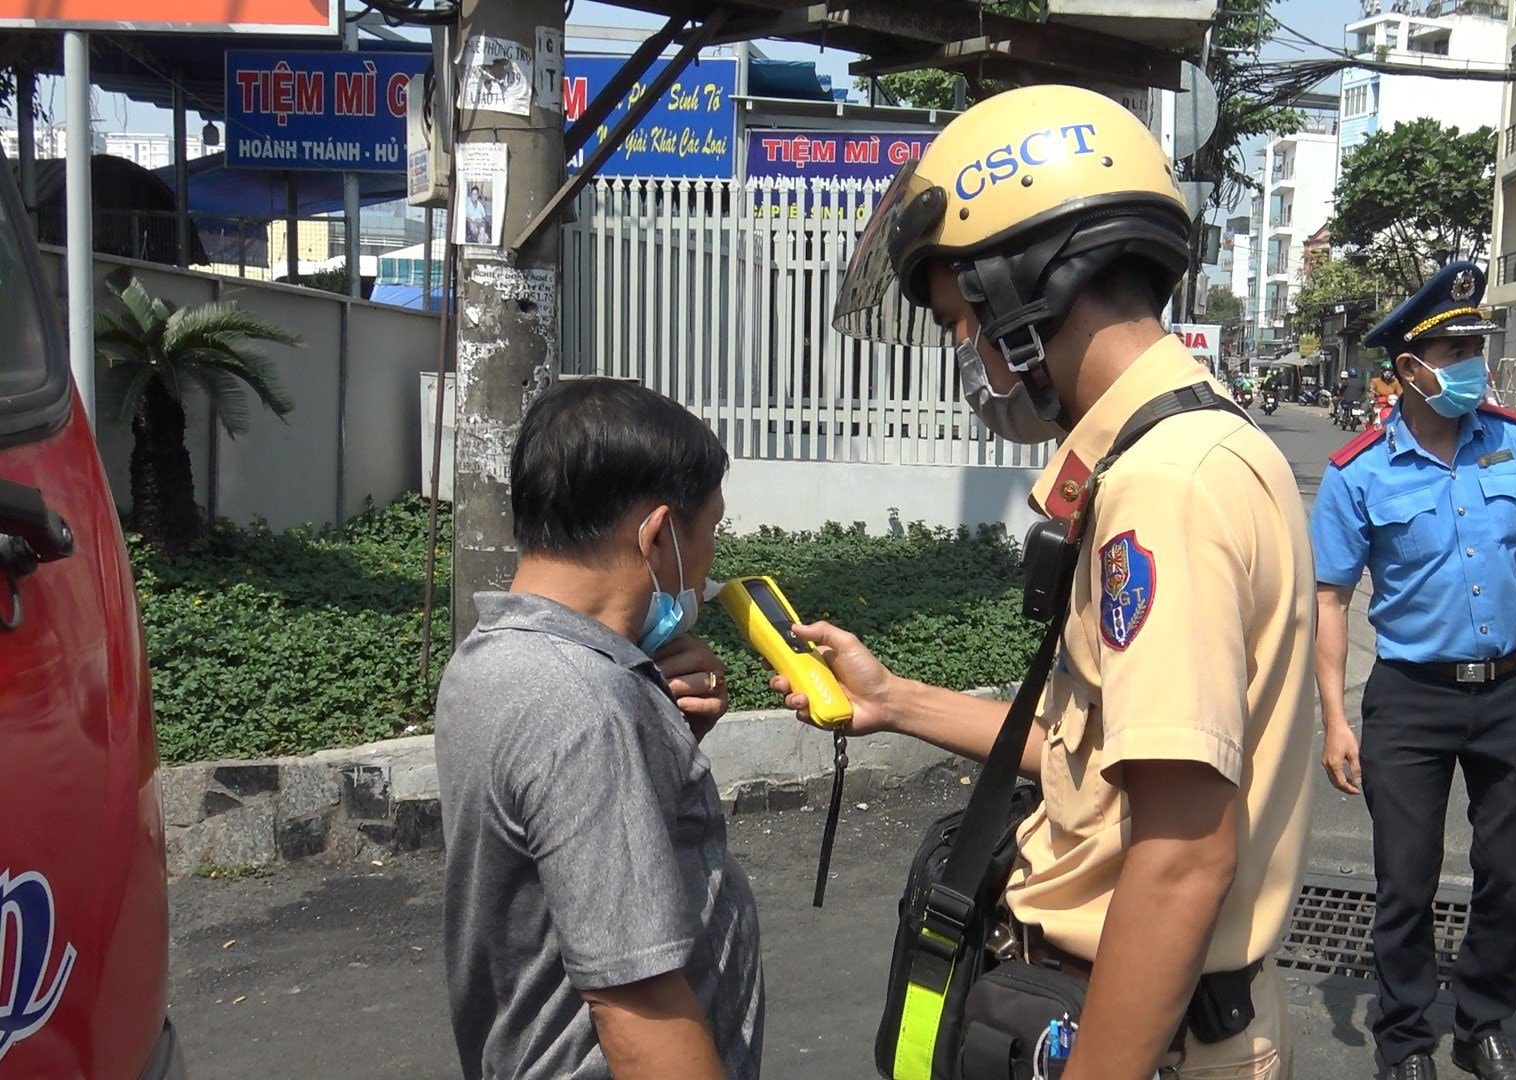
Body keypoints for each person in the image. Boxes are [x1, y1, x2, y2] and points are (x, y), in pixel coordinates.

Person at [817, 84, 1317, 1079]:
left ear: (1025, 287)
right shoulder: (1171, 452)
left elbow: (1179, 857)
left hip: (1145, 1036)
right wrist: (894, 701)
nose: (967, 359)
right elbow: (1102, 776)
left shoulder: (1166, 487)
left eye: (963, 323)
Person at [435, 379, 761, 1080]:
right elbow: (638, 1004)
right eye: (710, 530)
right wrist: (626, 726)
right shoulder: (585, 706)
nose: (709, 565)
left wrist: (663, 741)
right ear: (658, 534)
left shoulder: (494, 658)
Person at [1308, 261, 1516, 1080]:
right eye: (1453, 350)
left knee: (1508, 873)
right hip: (1412, 700)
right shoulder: (1358, 471)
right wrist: (1335, 717)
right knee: (1405, 879)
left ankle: (1483, 1023)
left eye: (1474, 347)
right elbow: (1330, 600)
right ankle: (1404, 1038)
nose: (1470, 364)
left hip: (1514, 690)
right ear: (1406, 371)